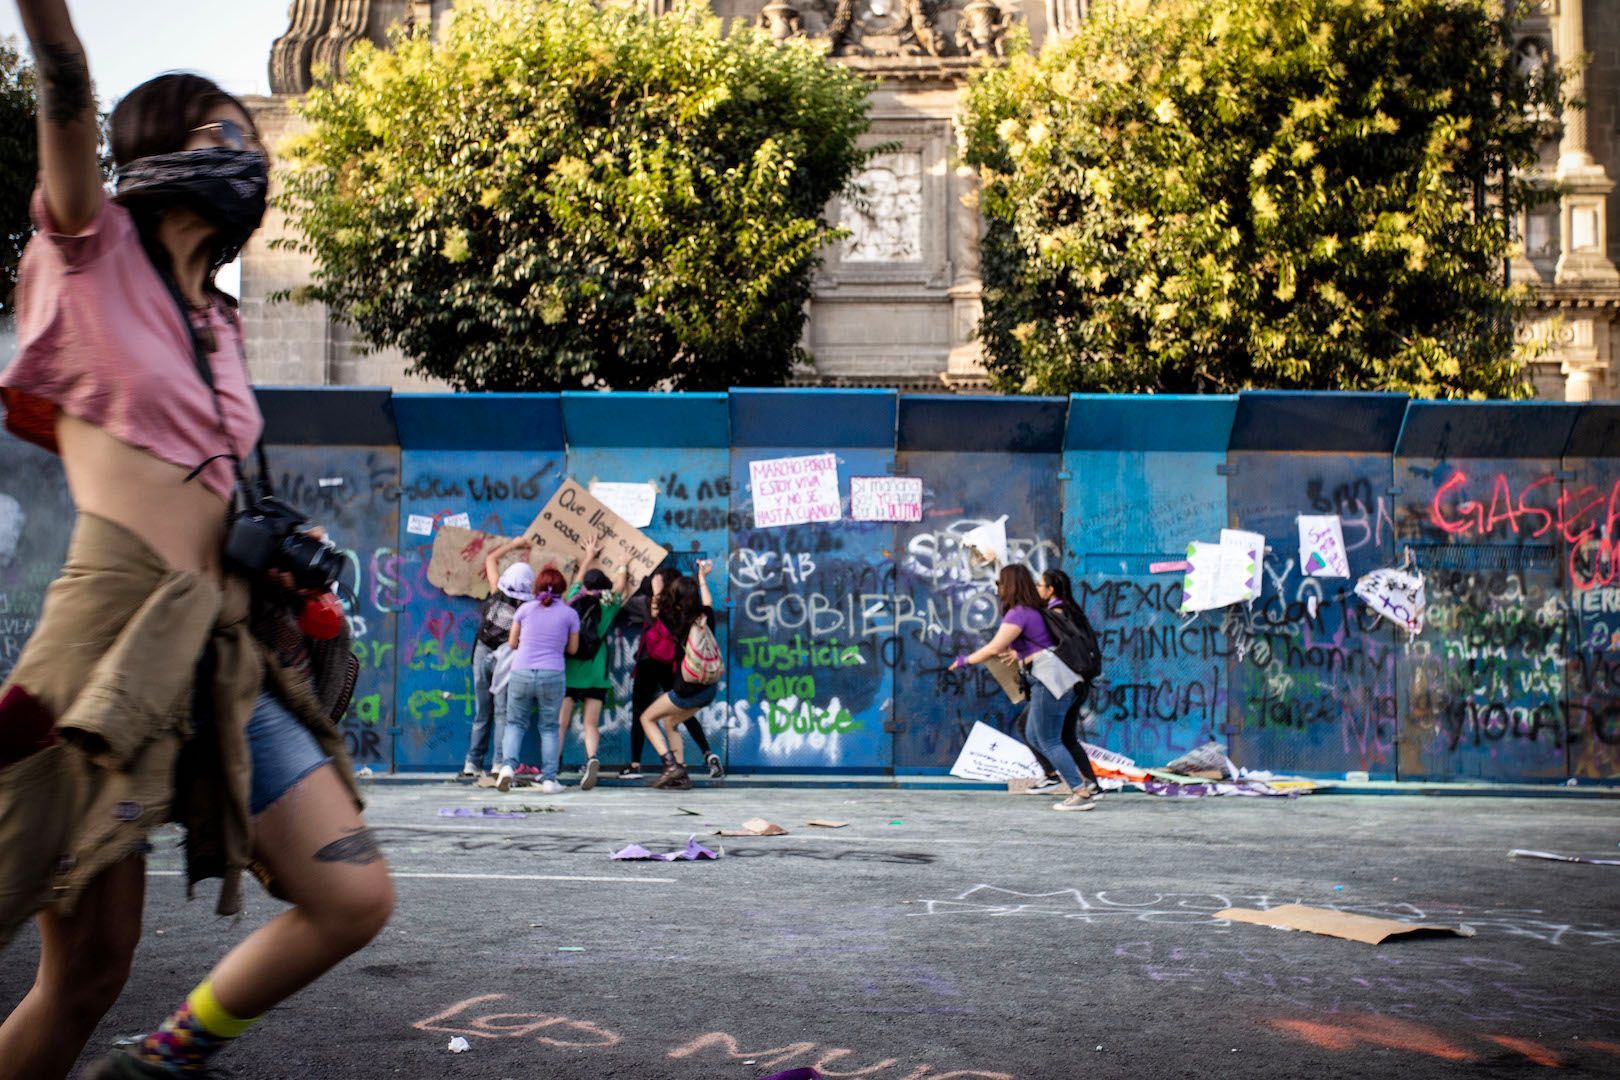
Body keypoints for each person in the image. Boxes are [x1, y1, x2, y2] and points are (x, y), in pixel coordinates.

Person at [0, 6, 393, 1077]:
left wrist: (267, 549)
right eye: (222, 137)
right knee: (84, 975)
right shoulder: (87, 252)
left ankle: (164, 1060)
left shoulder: (217, 320)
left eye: (248, 144)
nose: (246, 161)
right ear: (154, 150)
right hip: (111, 644)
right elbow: (66, 82)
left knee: (352, 893)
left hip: (220, 646)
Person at [950, 565, 1097, 811]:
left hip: (1048, 680)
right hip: (1049, 678)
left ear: (1010, 586)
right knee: (1032, 734)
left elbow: (994, 648)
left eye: (1001, 584)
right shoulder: (1032, 611)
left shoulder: (1018, 613)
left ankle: (1081, 791)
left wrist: (965, 660)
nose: (999, 589)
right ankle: (1066, 779)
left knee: (1050, 740)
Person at [619, 566, 723, 780]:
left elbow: (656, 614)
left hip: (686, 689)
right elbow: (708, 602)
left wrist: (657, 591)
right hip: (709, 688)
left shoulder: (675, 621)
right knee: (671, 722)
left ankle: (669, 764)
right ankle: (681, 772)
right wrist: (702, 578)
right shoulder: (706, 617)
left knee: (646, 718)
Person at [499, 566, 578, 794]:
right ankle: (549, 780)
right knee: (549, 728)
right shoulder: (569, 614)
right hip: (552, 673)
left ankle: (507, 768)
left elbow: (513, 643)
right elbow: (572, 649)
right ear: (562, 589)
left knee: (514, 723)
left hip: (521, 670)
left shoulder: (524, 609)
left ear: (537, 587)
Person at [558, 538, 627, 790]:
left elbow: (577, 578)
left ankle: (552, 764)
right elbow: (620, 586)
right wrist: (622, 565)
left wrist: (588, 555)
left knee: (560, 723)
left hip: (570, 671)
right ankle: (592, 758)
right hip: (596, 672)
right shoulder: (608, 603)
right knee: (590, 723)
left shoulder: (574, 599)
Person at [460, 548, 534, 779]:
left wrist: (515, 544)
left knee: (482, 712)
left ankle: (473, 763)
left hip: (483, 652)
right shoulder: (526, 610)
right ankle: (498, 764)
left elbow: (491, 558)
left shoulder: (494, 594)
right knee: (503, 712)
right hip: (507, 657)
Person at [1038, 568, 1103, 801]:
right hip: (1080, 682)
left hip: (1065, 683)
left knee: (1040, 733)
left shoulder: (1056, 614)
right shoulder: (1071, 610)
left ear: (1050, 589)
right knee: (1066, 736)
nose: (1037, 589)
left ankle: (1058, 777)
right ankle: (1091, 784)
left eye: (1040, 585)